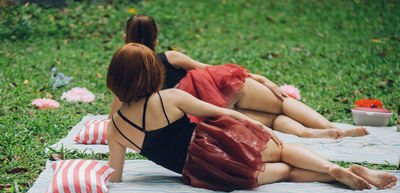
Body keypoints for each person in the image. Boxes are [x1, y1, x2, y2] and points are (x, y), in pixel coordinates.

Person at [106, 43, 397, 193]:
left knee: (287, 172)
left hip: (203, 173)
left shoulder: (115, 128)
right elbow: (222, 112)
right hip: (221, 143)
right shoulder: (169, 97)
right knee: (283, 151)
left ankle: (342, 176)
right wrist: (256, 126)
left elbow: (116, 177)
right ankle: (336, 168)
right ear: (152, 72)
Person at [108, 14, 369, 139]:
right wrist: (260, 78)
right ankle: (334, 130)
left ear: (125, 40)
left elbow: (115, 118)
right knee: (281, 103)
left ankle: (306, 134)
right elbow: (211, 68)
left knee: (274, 119)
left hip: (204, 115)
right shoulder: (170, 58)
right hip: (223, 91)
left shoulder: (126, 79)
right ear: (155, 40)